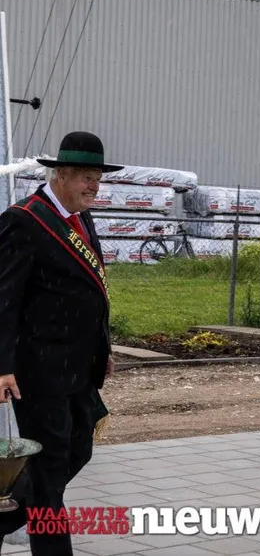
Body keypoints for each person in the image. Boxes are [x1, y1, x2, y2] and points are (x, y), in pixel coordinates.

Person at [0, 131, 119, 556]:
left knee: (77, 450)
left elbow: (93, 292)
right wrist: (2, 365)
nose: (94, 187)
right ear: (61, 175)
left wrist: (103, 349)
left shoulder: (80, 217)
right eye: (87, 178)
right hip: (38, 370)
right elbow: (4, 299)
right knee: (49, 474)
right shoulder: (24, 220)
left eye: (98, 179)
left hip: (79, 368)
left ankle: (5, 516)